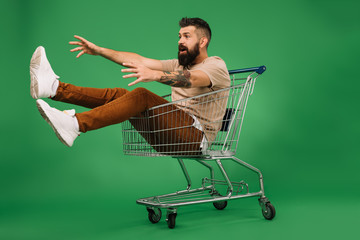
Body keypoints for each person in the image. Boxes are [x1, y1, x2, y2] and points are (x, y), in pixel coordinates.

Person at [30, 17, 230, 155]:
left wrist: (154, 75)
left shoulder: (215, 65)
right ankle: (54, 88)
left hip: (194, 138)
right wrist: (100, 51)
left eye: (187, 36)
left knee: (142, 96)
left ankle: (75, 125)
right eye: (179, 36)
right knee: (121, 94)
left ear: (203, 41)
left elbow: (192, 79)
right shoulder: (178, 64)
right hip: (168, 134)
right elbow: (137, 60)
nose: (180, 41)